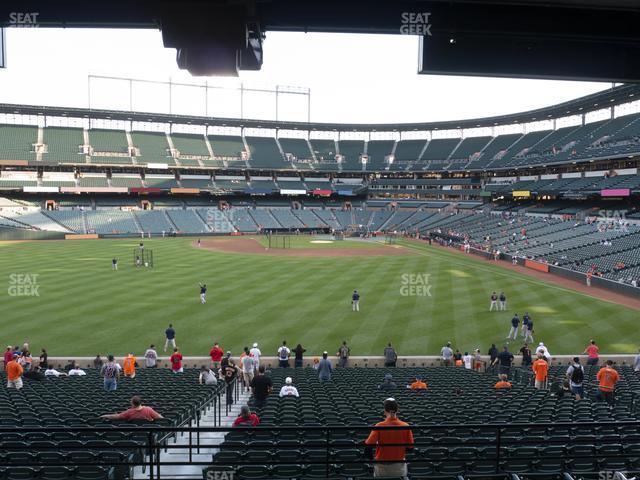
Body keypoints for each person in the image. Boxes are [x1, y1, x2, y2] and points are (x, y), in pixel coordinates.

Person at [364, 398, 414, 478]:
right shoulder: (405, 426)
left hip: (382, 465)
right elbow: (410, 447)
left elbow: (368, 446)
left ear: (384, 411)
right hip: (399, 464)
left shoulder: (379, 426)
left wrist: (371, 459)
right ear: (397, 410)